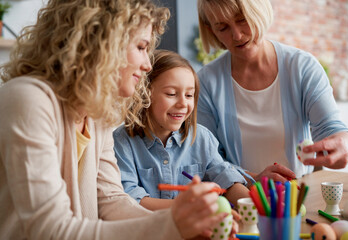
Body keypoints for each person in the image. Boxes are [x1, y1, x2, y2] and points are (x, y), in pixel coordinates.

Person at [0, 1, 229, 239]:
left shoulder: (97, 115)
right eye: (141, 47)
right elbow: (50, 230)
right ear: (102, 41)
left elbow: (111, 200)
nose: (147, 64)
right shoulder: (28, 100)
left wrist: (192, 227)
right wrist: (171, 225)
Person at [196, 0, 348, 183]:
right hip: (241, 200)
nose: (237, 35)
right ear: (212, 31)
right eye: (223, 27)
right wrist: (254, 179)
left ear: (258, 11)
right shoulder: (205, 82)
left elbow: (330, 128)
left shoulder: (302, 67)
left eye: (242, 20)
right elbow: (209, 159)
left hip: (296, 197)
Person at [113, 49, 249, 211]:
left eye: (189, 95)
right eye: (171, 94)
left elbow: (226, 178)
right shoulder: (122, 142)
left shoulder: (202, 137)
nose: (183, 104)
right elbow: (130, 198)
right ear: (144, 95)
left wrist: (254, 205)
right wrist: (188, 207)